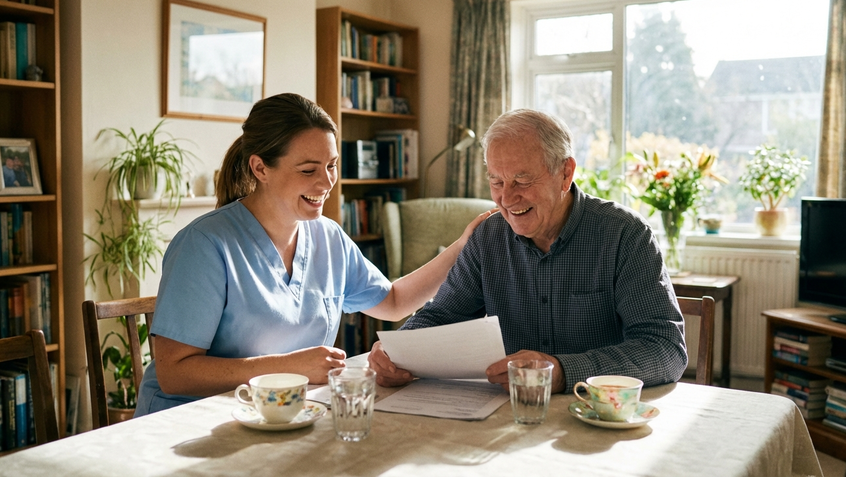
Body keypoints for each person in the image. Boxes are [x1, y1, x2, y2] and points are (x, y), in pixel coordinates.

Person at [135, 93, 495, 416]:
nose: (326, 183)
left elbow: (394, 301)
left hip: (281, 417)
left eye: (331, 165)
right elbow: (174, 373)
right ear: (260, 168)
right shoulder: (204, 244)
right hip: (187, 424)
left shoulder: (328, 238)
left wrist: (464, 246)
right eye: (308, 170)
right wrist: (289, 366)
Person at [369, 108, 687, 394]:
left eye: (522, 180)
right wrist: (396, 351)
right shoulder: (487, 238)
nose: (507, 199)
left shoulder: (625, 234)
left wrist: (562, 372)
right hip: (509, 416)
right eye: (497, 182)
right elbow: (443, 316)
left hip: (597, 417)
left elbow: (665, 349)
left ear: (565, 173)